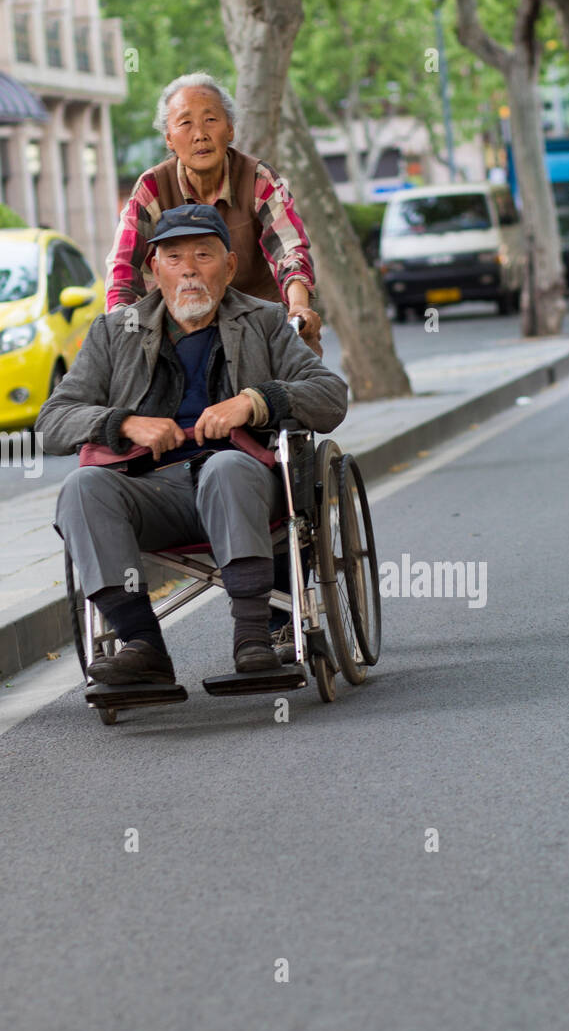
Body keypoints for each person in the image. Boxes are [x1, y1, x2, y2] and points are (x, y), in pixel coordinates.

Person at [36, 204, 347, 687]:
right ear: (153, 270)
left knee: (225, 466)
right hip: (149, 490)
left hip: (242, 487)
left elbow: (330, 397)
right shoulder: (114, 331)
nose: (188, 269)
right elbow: (52, 422)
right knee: (82, 487)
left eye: (204, 254)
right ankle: (142, 645)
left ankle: (253, 638)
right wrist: (124, 424)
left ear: (229, 266)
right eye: (174, 256)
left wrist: (256, 401)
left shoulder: (264, 321)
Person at [105, 72, 324, 356]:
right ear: (169, 138)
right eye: (185, 123)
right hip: (179, 332)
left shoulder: (258, 178)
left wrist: (298, 307)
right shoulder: (152, 187)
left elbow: (290, 250)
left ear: (230, 130)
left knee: (305, 384)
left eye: (211, 120)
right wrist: (123, 329)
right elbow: (124, 268)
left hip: (259, 327)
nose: (200, 134)